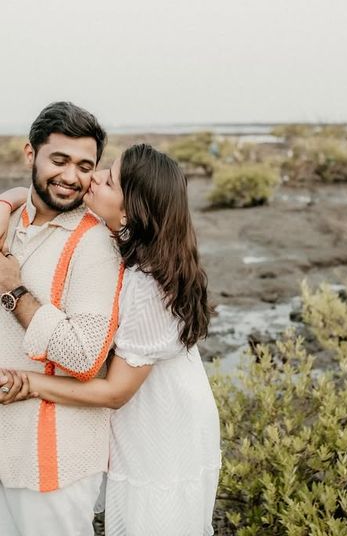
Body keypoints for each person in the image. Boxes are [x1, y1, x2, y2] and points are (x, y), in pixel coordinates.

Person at [0, 143, 221, 535]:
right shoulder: (134, 240)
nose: (94, 177)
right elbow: (30, 193)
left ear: (131, 209)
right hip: (158, 411)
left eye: (109, 179)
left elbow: (117, 392)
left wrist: (31, 383)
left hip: (160, 425)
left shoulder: (149, 285)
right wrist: (6, 202)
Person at [0, 102, 123, 536]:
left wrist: (13, 292)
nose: (71, 177)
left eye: (84, 165)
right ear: (30, 154)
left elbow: (86, 357)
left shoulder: (95, 244)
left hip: (51, 462)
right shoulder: (7, 219)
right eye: (59, 160)